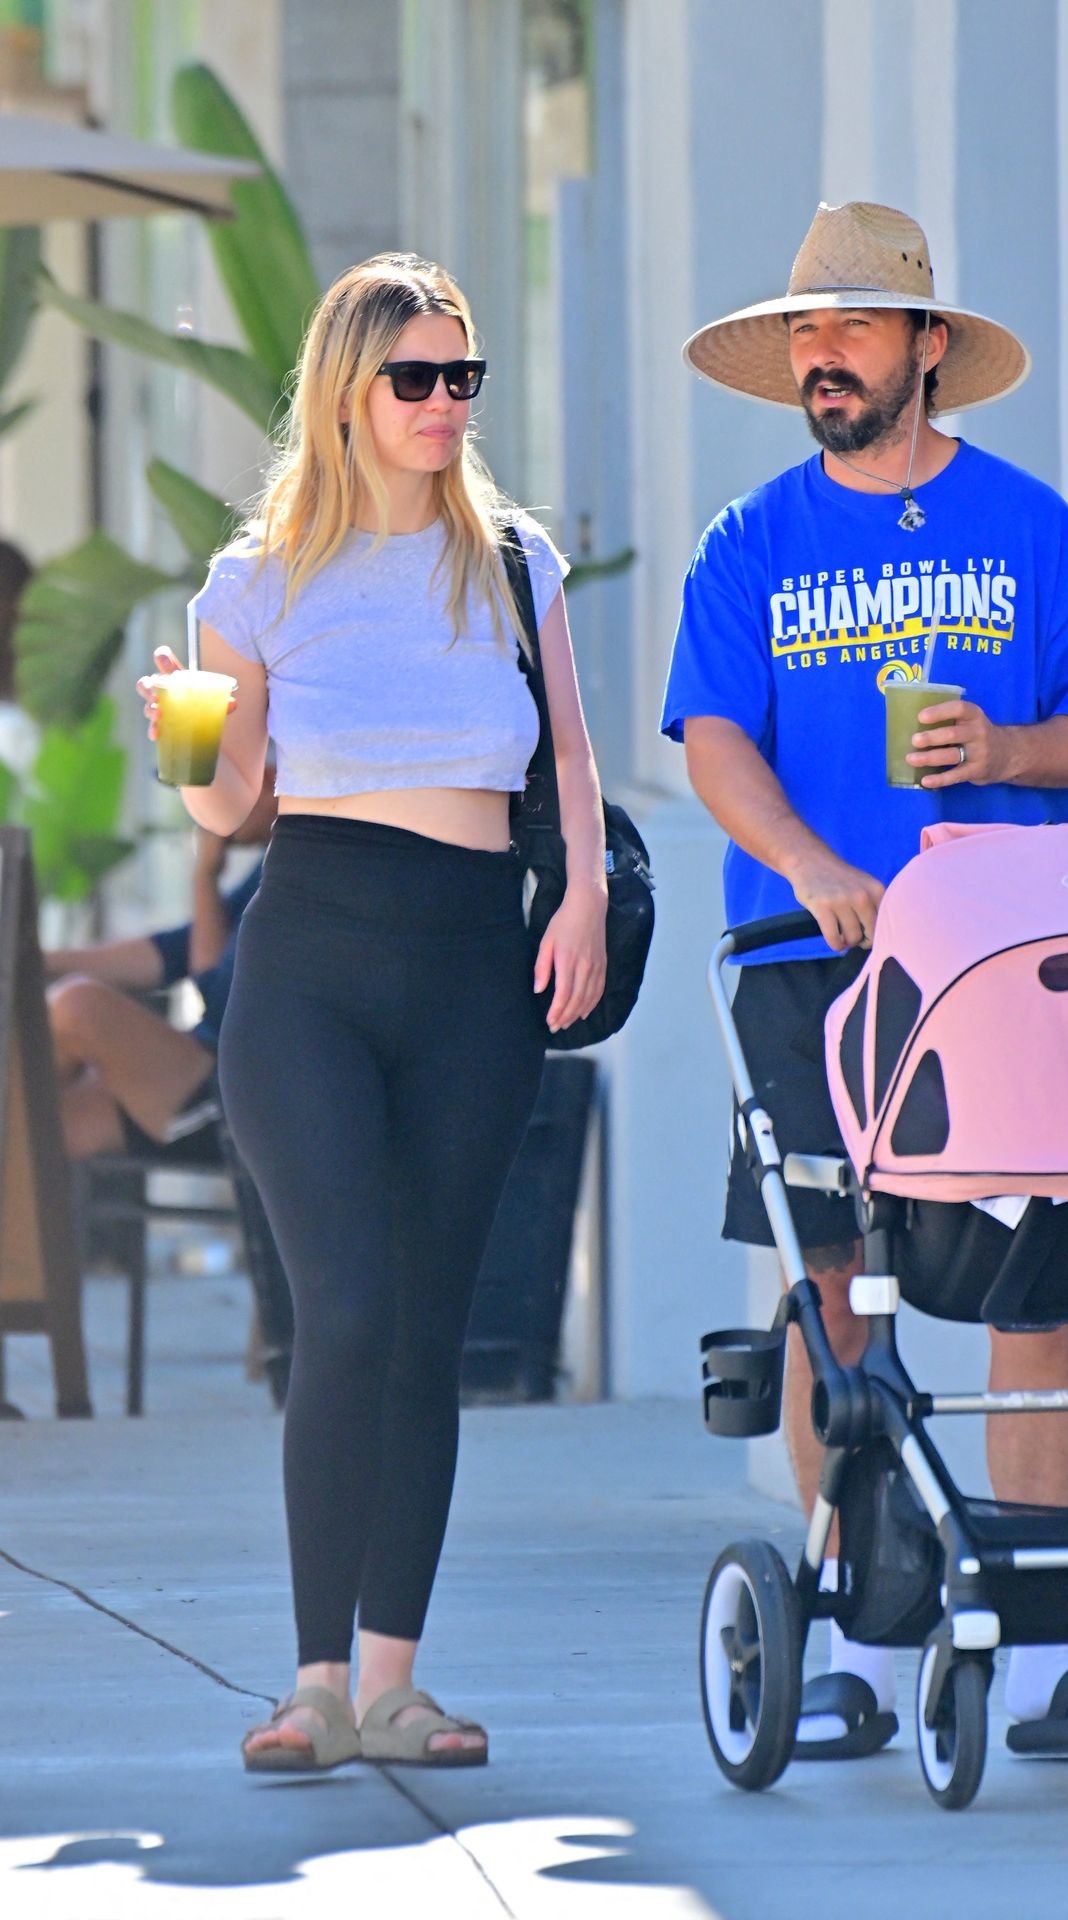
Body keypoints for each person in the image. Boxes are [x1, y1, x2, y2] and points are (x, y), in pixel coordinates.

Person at [662, 201, 1068, 1760]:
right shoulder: (748, 541)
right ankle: (859, 1651)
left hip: (1005, 966)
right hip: (811, 963)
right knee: (830, 1289)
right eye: (804, 335)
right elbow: (712, 742)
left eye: (852, 329)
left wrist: (1008, 748)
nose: (821, 356)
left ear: (925, 346)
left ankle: (1039, 1655)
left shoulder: (1028, 527)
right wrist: (808, 863)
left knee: (1041, 1282)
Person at [137, 253, 607, 1773]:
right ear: (348, 391)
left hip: (474, 971)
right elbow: (229, 805)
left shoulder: (513, 562)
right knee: (340, 1310)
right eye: (416, 377)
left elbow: (571, 759)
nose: (444, 402)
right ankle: (315, 1684)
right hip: (311, 975)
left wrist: (584, 900)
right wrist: (183, 732)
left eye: (463, 376)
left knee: (426, 1331)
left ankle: (397, 1687)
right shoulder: (257, 579)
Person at [45, 768, 275, 1161]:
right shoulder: (269, 863)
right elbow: (173, 952)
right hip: (203, 1068)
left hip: (242, 1095)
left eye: (206, 797)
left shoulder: (303, 869)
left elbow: (216, 994)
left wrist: (204, 876)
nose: (200, 815)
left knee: (75, 1007)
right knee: (41, 1130)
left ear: (266, 777)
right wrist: (40, 961)